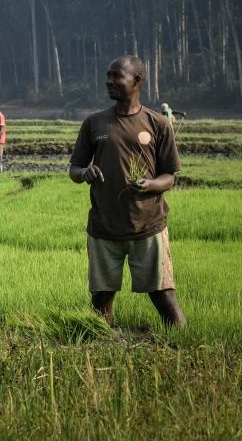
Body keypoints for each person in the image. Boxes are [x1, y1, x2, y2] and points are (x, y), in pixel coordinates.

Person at [68, 55, 186, 327]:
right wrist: (84, 173)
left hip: (148, 225)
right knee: (100, 299)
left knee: (163, 296)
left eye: (116, 76)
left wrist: (150, 184)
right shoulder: (94, 123)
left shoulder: (157, 124)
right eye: (108, 75)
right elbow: (74, 169)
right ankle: (101, 350)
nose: (109, 81)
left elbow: (170, 176)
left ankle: (183, 348)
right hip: (104, 227)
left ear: (137, 81)